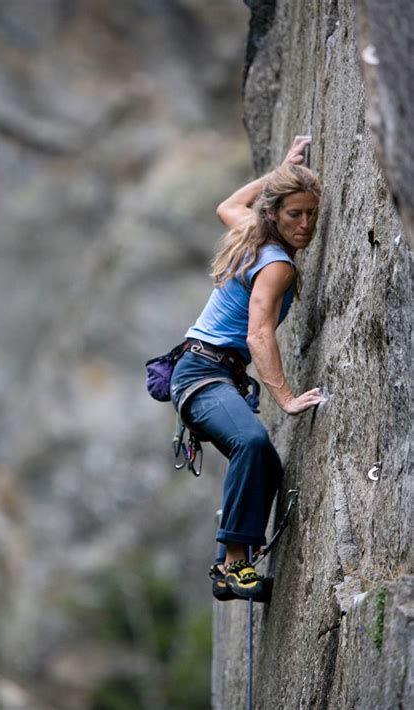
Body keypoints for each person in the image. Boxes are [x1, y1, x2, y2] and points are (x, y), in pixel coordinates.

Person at [170, 136, 324, 601]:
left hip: (203, 372)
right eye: (294, 213)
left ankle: (236, 564)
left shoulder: (251, 231)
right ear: (274, 214)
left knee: (267, 467)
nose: (304, 224)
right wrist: (287, 398)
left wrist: (279, 174)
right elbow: (259, 334)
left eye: (311, 214)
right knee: (253, 443)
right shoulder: (276, 264)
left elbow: (229, 204)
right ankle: (232, 567)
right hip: (203, 374)